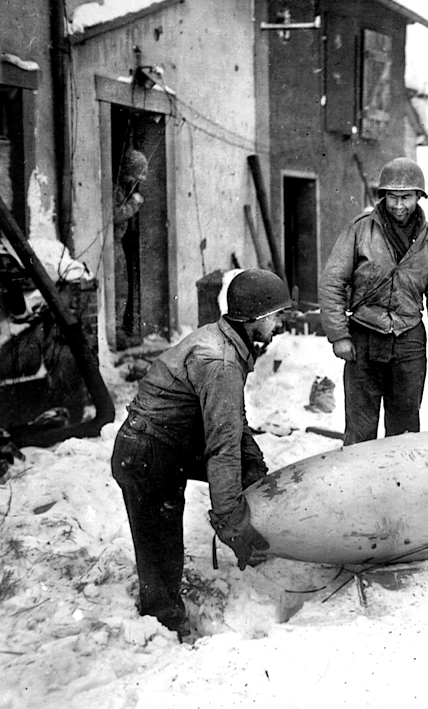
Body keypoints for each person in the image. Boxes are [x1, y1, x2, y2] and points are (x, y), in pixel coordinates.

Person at [111, 269, 292, 640]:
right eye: (276, 316)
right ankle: (163, 628)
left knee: (248, 466)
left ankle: (255, 545)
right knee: (162, 555)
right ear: (254, 319)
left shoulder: (226, 343)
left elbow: (233, 424)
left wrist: (255, 468)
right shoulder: (220, 361)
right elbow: (222, 448)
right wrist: (231, 520)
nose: (280, 324)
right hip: (145, 454)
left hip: (170, 441)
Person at [320, 157, 428, 444]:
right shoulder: (360, 230)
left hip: (409, 342)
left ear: (419, 197)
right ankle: (359, 488)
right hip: (364, 339)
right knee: (360, 430)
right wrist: (339, 335)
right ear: (383, 197)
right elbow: (332, 281)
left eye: (406, 197)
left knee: (404, 432)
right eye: (392, 197)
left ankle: (398, 487)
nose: (399, 205)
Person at [113, 149, 147, 348]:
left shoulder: (122, 187)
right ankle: (117, 333)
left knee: (123, 288)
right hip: (113, 244)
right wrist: (134, 204)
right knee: (119, 289)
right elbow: (116, 214)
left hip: (118, 242)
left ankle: (120, 331)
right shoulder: (116, 188)